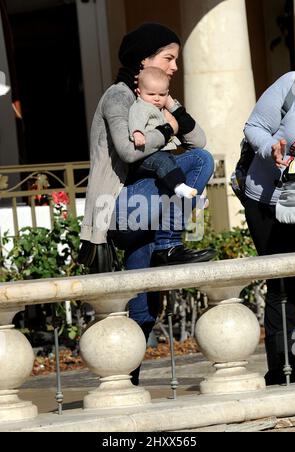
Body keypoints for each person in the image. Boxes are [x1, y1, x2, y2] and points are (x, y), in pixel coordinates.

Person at [80, 23, 216, 385]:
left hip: (145, 210)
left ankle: (126, 386)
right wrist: (168, 130)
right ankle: (169, 246)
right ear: (144, 61)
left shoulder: (157, 97)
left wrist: (172, 106)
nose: (174, 67)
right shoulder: (118, 97)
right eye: (168, 59)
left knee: (144, 308)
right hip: (121, 209)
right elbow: (128, 149)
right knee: (200, 161)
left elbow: (199, 135)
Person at [243, 71, 295, 385]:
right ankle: (283, 370)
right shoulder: (291, 85)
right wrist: (270, 147)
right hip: (266, 199)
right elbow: (254, 126)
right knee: (281, 289)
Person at [129, 66, 198, 199]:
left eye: (162, 95)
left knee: (171, 165)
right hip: (145, 156)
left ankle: (192, 195)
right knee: (163, 162)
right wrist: (137, 132)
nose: (156, 98)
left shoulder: (160, 109)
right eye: (151, 94)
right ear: (138, 92)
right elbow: (135, 119)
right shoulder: (141, 106)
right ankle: (179, 187)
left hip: (159, 152)